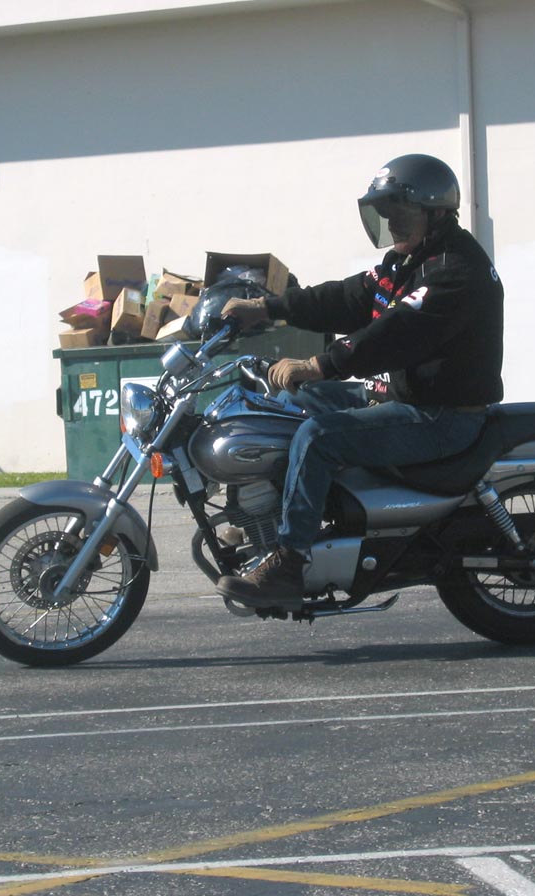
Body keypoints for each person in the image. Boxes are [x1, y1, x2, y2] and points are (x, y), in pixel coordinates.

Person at [216, 153, 504, 610]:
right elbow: (347, 297)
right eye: (386, 214)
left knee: (317, 438)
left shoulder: (454, 271)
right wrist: (269, 307)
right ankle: (262, 518)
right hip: (402, 395)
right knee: (296, 403)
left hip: (440, 415)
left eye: (401, 213)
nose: (392, 224)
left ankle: (289, 564)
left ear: (435, 213)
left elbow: (392, 333)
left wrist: (320, 363)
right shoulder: (407, 261)